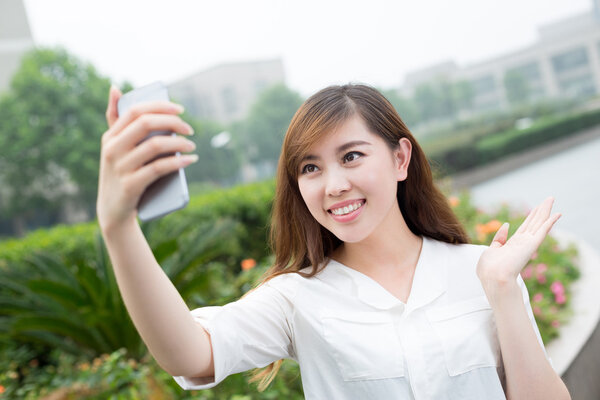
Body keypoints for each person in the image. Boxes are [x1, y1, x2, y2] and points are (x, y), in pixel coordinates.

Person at [97, 83, 571, 399]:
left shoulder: (485, 272)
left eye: (351, 156)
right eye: (310, 167)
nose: (333, 185)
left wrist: (504, 292)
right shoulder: (297, 298)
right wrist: (119, 227)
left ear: (400, 158)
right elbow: (191, 355)